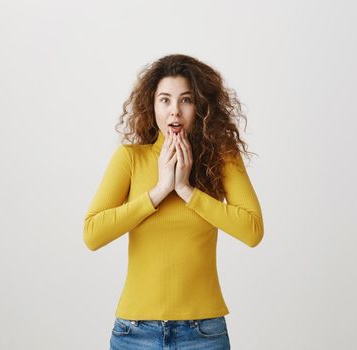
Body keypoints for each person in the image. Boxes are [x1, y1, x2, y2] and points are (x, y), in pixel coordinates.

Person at [83, 53, 264, 350]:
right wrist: (159, 191)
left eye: (186, 100)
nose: (175, 111)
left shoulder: (222, 158)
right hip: (135, 333)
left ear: (201, 107)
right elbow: (92, 234)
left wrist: (186, 190)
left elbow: (253, 230)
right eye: (165, 100)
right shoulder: (130, 159)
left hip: (203, 334)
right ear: (151, 105)